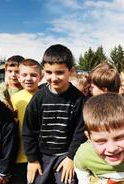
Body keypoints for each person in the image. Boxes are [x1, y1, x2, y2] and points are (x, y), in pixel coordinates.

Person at [22, 44, 87, 184]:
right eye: (49, 72)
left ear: (71, 71)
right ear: (43, 71)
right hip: (42, 156)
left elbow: (80, 132)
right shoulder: (38, 98)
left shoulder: (79, 99)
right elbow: (29, 131)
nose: (54, 77)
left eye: (59, 72)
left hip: (66, 156)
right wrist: (32, 160)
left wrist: (71, 157)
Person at [10, 59, 43, 184]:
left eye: (33, 75)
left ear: (41, 77)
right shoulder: (14, 98)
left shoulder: (45, 96)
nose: (28, 78)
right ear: (18, 77)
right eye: (24, 75)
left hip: (40, 156)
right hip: (19, 156)